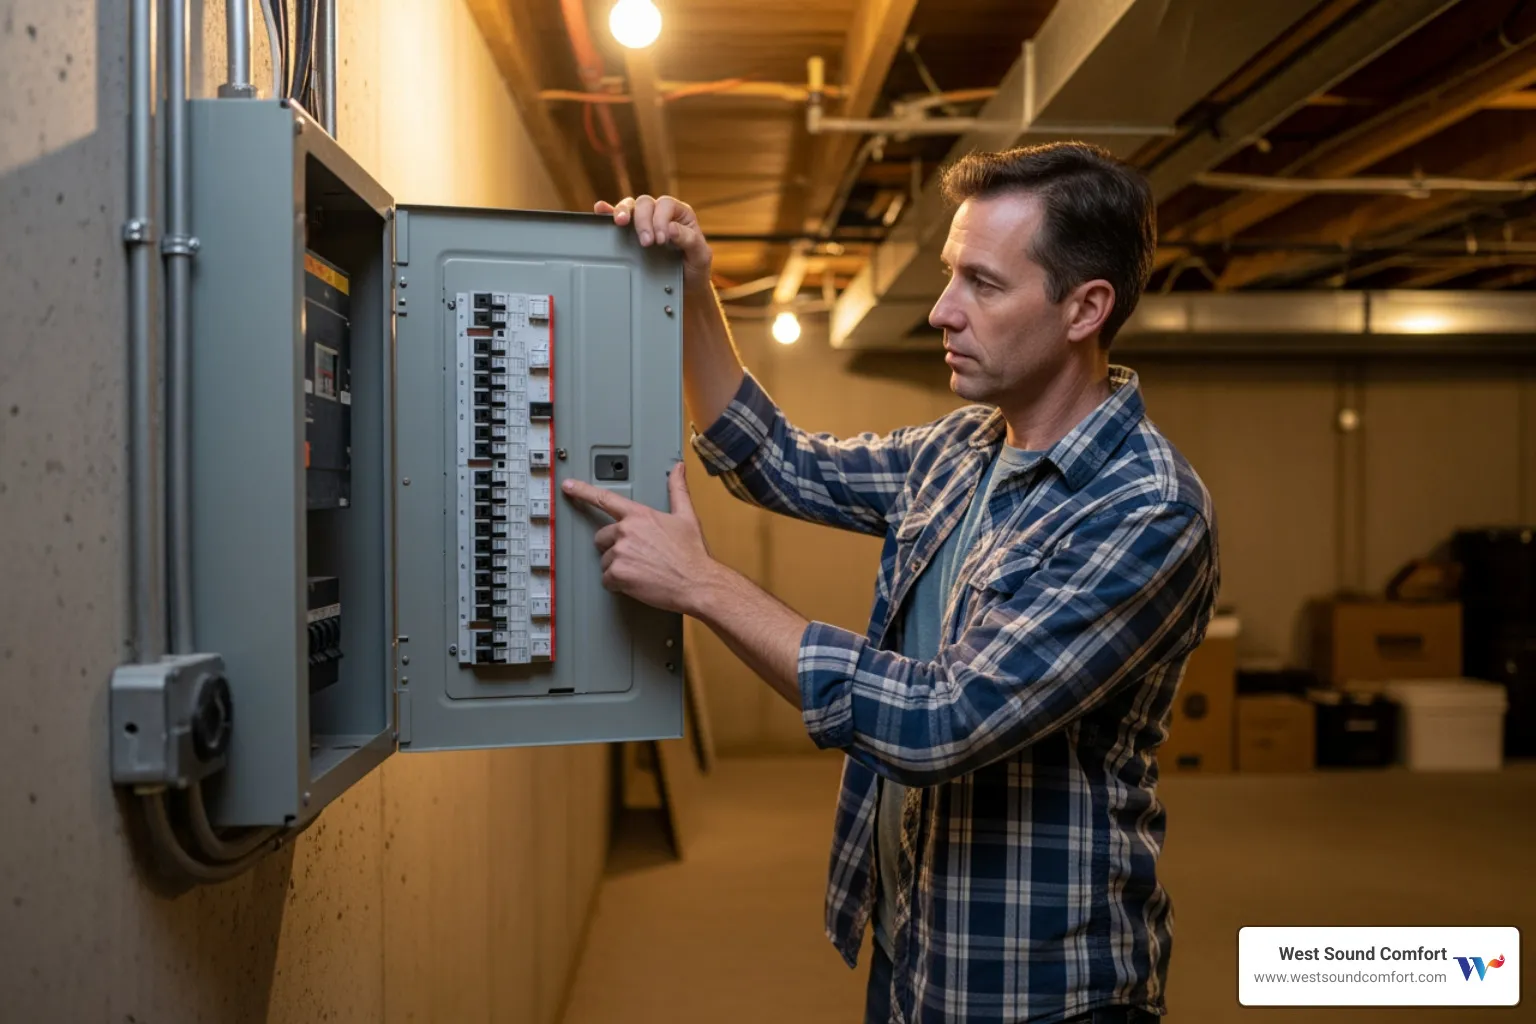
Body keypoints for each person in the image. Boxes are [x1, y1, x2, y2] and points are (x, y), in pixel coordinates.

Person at [562, 142, 1220, 1024]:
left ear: (1085, 308)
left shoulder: (1146, 508)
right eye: (951, 276)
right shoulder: (963, 448)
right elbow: (776, 462)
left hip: (1039, 988)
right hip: (917, 945)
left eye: (983, 285)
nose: (943, 312)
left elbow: (940, 719)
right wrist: (689, 286)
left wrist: (704, 586)